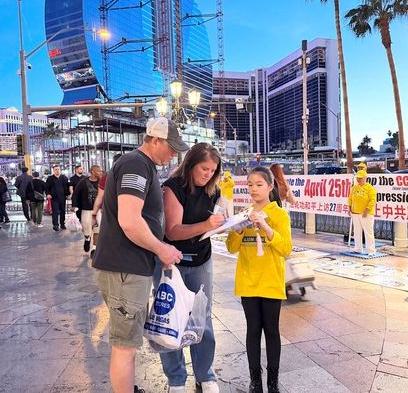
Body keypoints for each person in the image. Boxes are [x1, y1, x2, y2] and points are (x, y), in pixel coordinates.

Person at [91, 117, 188, 393]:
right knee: (125, 345)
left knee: (128, 342)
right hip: (126, 269)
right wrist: (162, 249)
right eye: (171, 147)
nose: (174, 154)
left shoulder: (141, 165)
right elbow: (130, 221)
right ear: (155, 140)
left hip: (129, 268)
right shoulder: (136, 164)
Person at [155, 142, 225, 393]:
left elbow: (214, 223)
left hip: (201, 259)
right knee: (169, 318)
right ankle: (176, 379)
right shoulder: (173, 188)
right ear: (191, 164)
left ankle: (205, 374)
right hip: (170, 260)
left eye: (213, 171)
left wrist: (224, 224)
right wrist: (206, 225)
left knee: (202, 318)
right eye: (204, 169)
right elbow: (172, 231)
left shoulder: (214, 190)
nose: (208, 174)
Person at [225, 166, 292, 393]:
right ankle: (255, 380)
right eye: (250, 185)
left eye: (259, 185)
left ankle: (273, 381)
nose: (253, 189)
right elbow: (231, 248)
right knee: (252, 330)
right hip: (248, 281)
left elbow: (286, 248)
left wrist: (265, 227)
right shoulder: (244, 213)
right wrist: (237, 229)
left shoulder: (279, 215)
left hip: (271, 280)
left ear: (270, 187)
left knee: (271, 330)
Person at [71, 164, 103, 256]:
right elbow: (76, 194)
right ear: (92, 172)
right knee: (86, 230)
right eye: (98, 171)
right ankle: (87, 239)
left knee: (97, 230)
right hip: (86, 210)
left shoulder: (101, 182)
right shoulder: (83, 182)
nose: (100, 173)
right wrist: (74, 206)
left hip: (98, 210)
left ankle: (94, 249)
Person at [348, 170, 377, 256]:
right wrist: (349, 208)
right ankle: (358, 248)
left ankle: (370, 250)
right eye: (357, 178)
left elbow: (373, 200)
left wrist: (366, 210)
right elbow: (350, 199)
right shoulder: (354, 188)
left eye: (360, 178)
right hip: (355, 213)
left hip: (366, 214)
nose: (358, 180)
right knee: (357, 232)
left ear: (365, 178)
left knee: (368, 232)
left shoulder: (370, 188)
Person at [91, 154, 123, 229]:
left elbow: (100, 197)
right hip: (112, 212)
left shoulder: (106, 177)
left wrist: (94, 215)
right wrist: (94, 215)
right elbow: (100, 197)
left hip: (112, 212)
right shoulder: (106, 178)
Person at [45, 165, 70, 231]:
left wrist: (68, 194)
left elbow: (66, 187)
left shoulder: (64, 178)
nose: (57, 171)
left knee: (62, 211)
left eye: (58, 169)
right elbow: (46, 187)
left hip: (62, 197)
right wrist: (48, 194)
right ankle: (55, 224)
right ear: (53, 170)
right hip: (54, 197)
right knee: (55, 211)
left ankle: (62, 224)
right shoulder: (50, 179)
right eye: (56, 169)